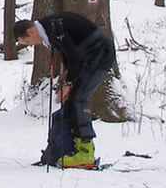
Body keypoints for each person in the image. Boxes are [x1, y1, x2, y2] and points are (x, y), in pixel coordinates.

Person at [14, 12, 116, 168]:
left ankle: (85, 152)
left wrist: (68, 84)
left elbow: (73, 57)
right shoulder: (50, 29)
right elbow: (70, 55)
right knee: (74, 99)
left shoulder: (53, 29)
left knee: (78, 98)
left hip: (100, 54)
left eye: (27, 41)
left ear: (30, 31)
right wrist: (66, 79)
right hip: (90, 55)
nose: (30, 45)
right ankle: (73, 148)